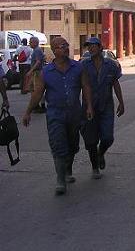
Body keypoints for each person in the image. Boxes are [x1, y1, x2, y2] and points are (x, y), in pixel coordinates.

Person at [22, 37, 94, 195]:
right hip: (55, 114)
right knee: (58, 145)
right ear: (54, 51)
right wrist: (28, 112)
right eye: (62, 46)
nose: (66, 48)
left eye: (67, 45)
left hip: (74, 113)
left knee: (73, 145)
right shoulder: (46, 72)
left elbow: (86, 86)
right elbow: (37, 93)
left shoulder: (78, 67)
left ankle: (68, 169)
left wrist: (89, 106)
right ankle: (60, 180)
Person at [81, 37, 124, 179]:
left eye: (93, 46)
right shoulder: (84, 65)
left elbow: (115, 83)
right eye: (88, 46)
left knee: (108, 137)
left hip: (106, 106)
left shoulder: (111, 65)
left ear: (100, 47)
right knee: (91, 140)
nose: (90, 48)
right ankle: (95, 167)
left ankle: (101, 153)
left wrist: (121, 102)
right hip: (89, 107)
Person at [26, 37, 46, 111]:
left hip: (38, 72)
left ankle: (40, 106)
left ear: (35, 42)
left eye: (30, 42)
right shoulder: (35, 50)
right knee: (32, 88)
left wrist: (30, 71)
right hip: (36, 72)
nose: (29, 43)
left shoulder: (37, 50)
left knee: (38, 90)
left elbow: (38, 62)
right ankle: (36, 105)